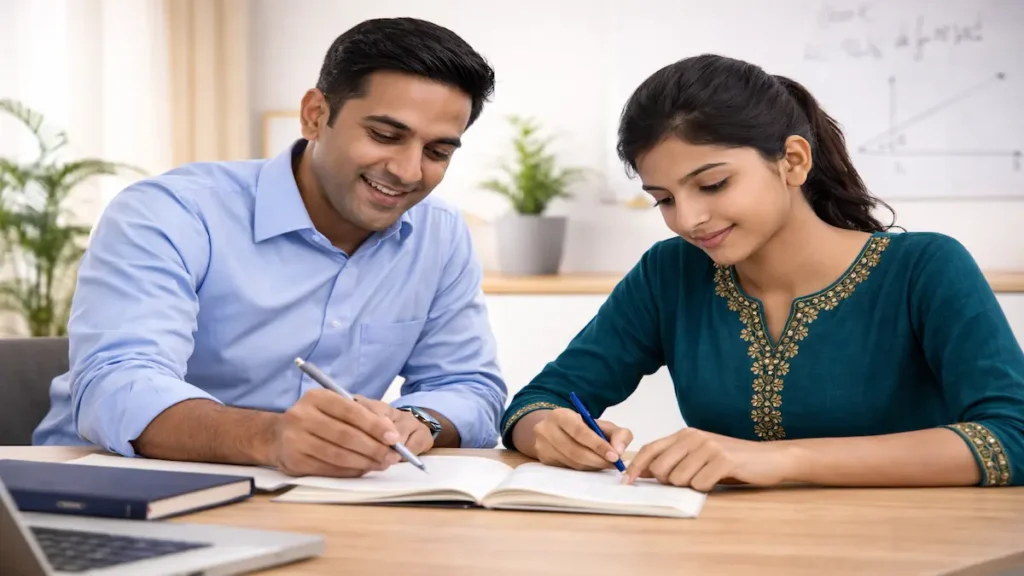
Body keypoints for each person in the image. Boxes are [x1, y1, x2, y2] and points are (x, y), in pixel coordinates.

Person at [500, 54, 1024, 490]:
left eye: (713, 184)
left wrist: (780, 459)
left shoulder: (924, 268)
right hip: (727, 552)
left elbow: (1012, 436)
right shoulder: (671, 273)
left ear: (793, 161)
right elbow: (535, 403)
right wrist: (550, 431)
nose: (688, 219)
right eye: (664, 199)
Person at [33, 17, 508, 478]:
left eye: (437, 152)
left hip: (317, 500)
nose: (408, 171)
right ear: (315, 116)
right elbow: (118, 384)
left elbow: (469, 385)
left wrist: (419, 422)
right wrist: (272, 437)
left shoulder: (439, 234)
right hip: (106, 487)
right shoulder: (172, 212)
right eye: (384, 136)